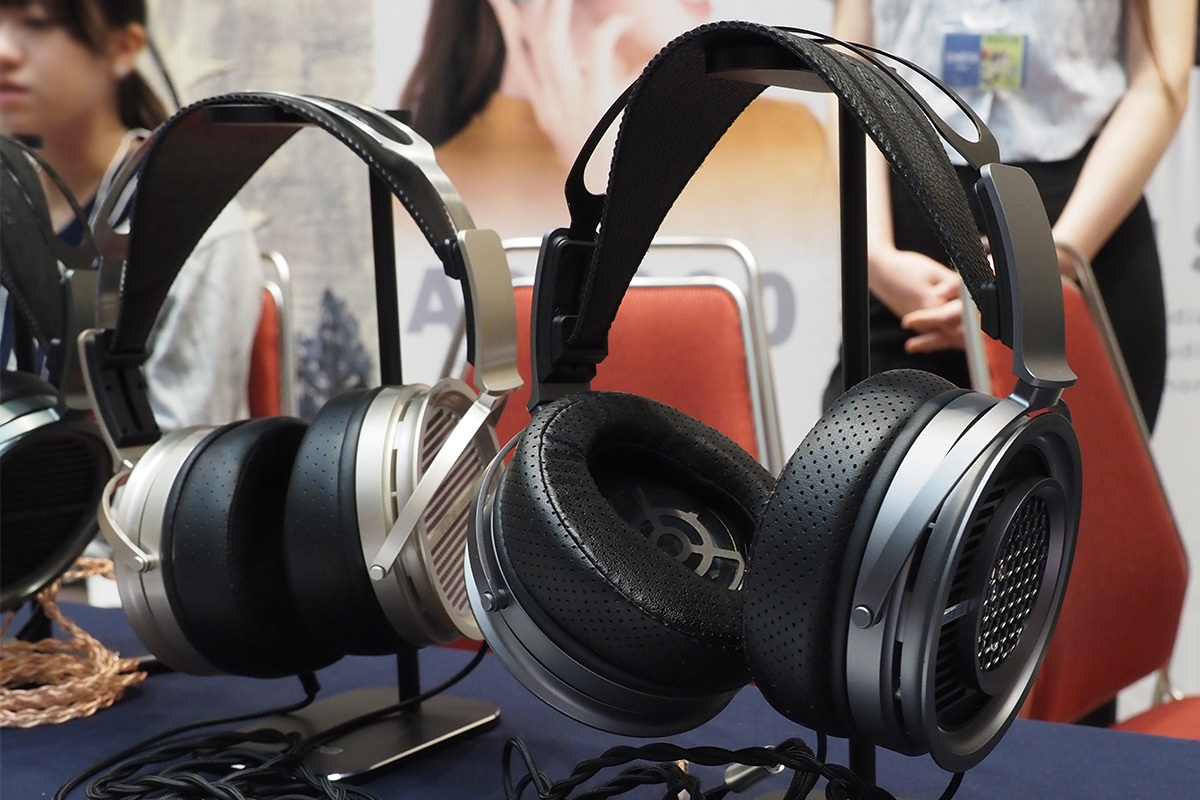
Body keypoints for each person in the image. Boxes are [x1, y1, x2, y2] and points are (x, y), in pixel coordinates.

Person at [822, 0, 1197, 434]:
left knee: (1085, 471)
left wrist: (1049, 264)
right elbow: (847, 60)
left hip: (1082, 234)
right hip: (906, 260)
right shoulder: (889, 263)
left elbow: (1160, 79)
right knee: (863, 467)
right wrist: (874, 255)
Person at [0, 0, 263, 429]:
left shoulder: (199, 230)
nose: (4, 51)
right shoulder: (9, 203)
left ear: (122, 48)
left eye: (37, 25)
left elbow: (184, 456)